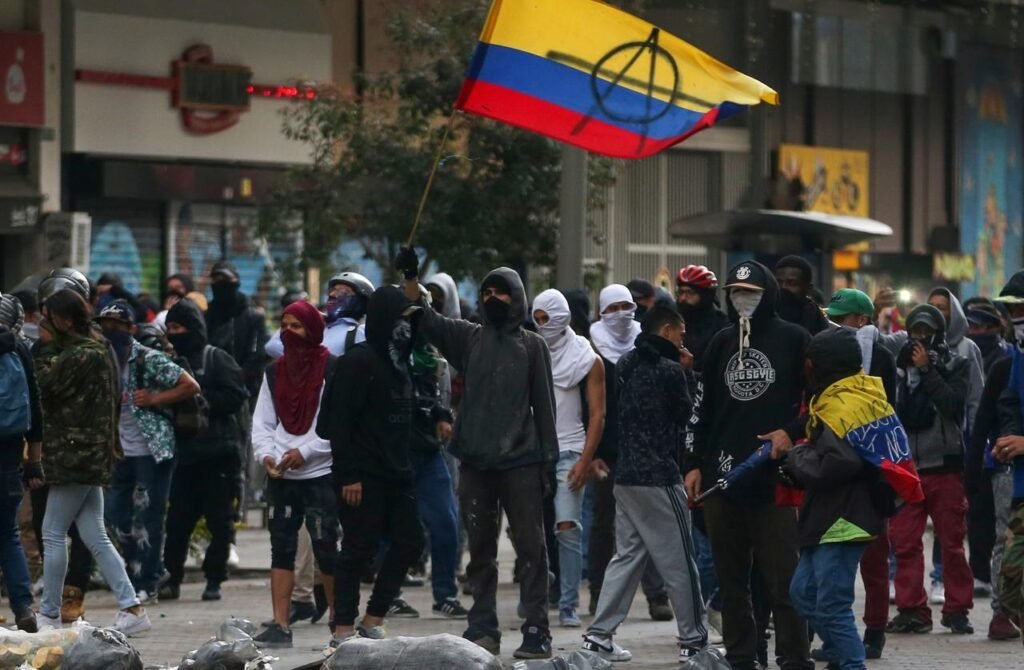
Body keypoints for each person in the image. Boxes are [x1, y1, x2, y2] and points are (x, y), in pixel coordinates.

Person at [397, 248, 558, 660]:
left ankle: (537, 629)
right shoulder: (468, 337)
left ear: (518, 298)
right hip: (475, 463)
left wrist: (548, 464)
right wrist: (411, 277)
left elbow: (545, 409)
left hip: (522, 463)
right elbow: (426, 316)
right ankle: (482, 626)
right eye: (487, 291)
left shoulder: (534, 346)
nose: (492, 298)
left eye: (501, 292)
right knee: (481, 550)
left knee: (531, 550)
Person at [684, 260, 812, 670]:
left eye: (752, 292)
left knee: (784, 581)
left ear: (768, 293)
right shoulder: (720, 343)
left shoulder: (795, 339)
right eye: (736, 292)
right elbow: (699, 411)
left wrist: (791, 431)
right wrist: (693, 463)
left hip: (775, 480)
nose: (743, 299)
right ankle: (742, 657)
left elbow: (821, 401)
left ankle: (794, 658)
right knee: (732, 581)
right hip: (723, 479)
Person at [582, 307, 708, 663]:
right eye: (681, 335)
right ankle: (693, 640)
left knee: (627, 556)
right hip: (660, 477)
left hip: (627, 476)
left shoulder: (625, 364)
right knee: (680, 560)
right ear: (668, 331)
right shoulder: (670, 371)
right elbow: (686, 415)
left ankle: (599, 636)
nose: (684, 341)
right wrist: (690, 375)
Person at [786, 327, 912, 670]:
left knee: (830, 603)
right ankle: (843, 652)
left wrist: (795, 457)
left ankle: (850, 661)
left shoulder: (843, 404)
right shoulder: (849, 396)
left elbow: (837, 462)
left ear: (820, 365)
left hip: (845, 517)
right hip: (827, 514)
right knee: (802, 592)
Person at [33, 289, 151, 635]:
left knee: (53, 533)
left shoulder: (81, 354)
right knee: (94, 534)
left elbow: (43, 383)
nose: (44, 324)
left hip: (77, 455)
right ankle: (132, 608)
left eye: (49, 318)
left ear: (65, 320)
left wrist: (47, 346)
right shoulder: (97, 348)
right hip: (90, 454)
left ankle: (49, 615)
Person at [318, 286, 425, 646]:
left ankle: (373, 618)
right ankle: (343, 629)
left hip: (397, 472)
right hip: (361, 476)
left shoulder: (400, 362)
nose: (405, 329)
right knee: (358, 548)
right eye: (401, 320)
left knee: (410, 541)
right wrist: (348, 474)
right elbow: (338, 423)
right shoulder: (358, 361)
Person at [96, 300, 200, 603]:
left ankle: (147, 581)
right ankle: (139, 570)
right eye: (104, 326)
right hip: (119, 450)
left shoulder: (147, 359)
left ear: (131, 328)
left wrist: (155, 398)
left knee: (148, 517)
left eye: (116, 326)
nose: (109, 332)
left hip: (152, 449)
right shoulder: (102, 360)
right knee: (114, 516)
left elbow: (190, 385)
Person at [250, 302, 339, 648]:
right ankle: (280, 623)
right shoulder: (274, 373)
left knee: (326, 548)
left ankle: (339, 620)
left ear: (313, 331)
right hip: (282, 477)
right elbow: (262, 423)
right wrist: (268, 455)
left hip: (319, 472)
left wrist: (305, 452)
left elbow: (337, 427)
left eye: (297, 327)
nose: (289, 333)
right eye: (284, 326)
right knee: (281, 549)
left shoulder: (332, 368)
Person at [587, 284, 673, 622]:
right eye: (613, 307)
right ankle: (598, 593)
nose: (621, 314)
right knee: (604, 525)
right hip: (607, 452)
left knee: (649, 523)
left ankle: (656, 595)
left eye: (627, 306)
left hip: (646, 450)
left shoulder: (646, 343)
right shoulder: (592, 347)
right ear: (602, 311)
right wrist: (591, 452)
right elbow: (588, 407)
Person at [887, 304, 974, 635]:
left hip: (945, 467)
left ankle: (957, 609)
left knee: (951, 543)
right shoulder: (897, 369)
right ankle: (912, 609)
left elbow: (953, 405)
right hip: (907, 467)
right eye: (914, 332)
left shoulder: (956, 364)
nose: (920, 339)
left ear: (938, 333)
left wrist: (927, 370)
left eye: (926, 332)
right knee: (905, 541)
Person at [823, 288, 897, 659]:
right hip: (831, 471)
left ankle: (874, 631)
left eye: (842, 319)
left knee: (873, 558)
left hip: (872, 472)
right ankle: (837, 635)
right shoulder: (827, 355)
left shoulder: (880, 357)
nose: (835, 325)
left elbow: (887, 414)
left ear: (862, 321)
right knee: (831, 559)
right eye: (832, 318)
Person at [160, 298, 248, 602]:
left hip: (218, 456)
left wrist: (200, 400)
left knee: (220, 523)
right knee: (177, 524)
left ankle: (214, 579)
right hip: (184, 458)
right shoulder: (166, 361)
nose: (173, 333)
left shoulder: (215, 359)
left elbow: (236, 396)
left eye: (179, 327)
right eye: (169, 327)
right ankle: (172, 578)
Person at [533, 289, 605, 628]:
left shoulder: (586, 358)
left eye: (547, 317)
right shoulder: (528, 350)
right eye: (537, 317)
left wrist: (585, 459)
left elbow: (597, 415)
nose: (541, 324)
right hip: (531, 453)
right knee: (530, 532)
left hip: (570, 451)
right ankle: (534, 599)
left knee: (567, 528)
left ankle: (568, 605)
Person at [31, 268, 99, 623]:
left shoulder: (92, 350)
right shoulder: (38, 346)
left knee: (76, 531)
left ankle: (69, 597)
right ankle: (55, 601)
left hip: (80, 452)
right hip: (48, 453)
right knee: (51, 526)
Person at [399, 318, 468, 620]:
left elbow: (432, 397)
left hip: (427, 452)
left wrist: (442, 417)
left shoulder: (426, 356)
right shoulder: (382, 356)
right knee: (396, 529)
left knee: (446, 523)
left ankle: (445, 594)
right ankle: (389, 596)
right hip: (394, 454)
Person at [0, 292, 43, 632]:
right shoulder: (21, 348)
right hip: (10, 456)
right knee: (9, 534)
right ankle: (23, 607)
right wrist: (35, 462)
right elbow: (36, 411)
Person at [993, 270, 1024, 634]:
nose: (1017, 321)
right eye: (1012, 312)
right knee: (1011, 584)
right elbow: (1010, 403)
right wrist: (1009, 438)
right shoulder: (1018, 355)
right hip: (1020, 488)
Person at [266, 273, 374, 358]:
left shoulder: (360, 332)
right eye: (332, 290)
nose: (332, 295)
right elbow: (272, 346)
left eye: (343, 292)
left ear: (360, 301)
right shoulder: (318, 325)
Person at [205, 260, 269, 401]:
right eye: (216, 279)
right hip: (213, 389)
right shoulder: (207, 315)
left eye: (225, 279)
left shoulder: (252, 316)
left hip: (246, 390)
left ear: (236, 281)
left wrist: (237, 377)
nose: (220, 284)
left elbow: (257, 354)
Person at [675, 265, 729, 370]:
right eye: (681, 292)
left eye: (690, 293)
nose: (683, 298)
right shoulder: (673, 321)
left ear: (705, 296)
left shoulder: (723, 325)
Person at [773, 255, 829, 335]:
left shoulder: (817, 323)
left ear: (808, 288)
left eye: (792, 283)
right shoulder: (763, 317)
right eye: (778, 282)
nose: (783, 287)